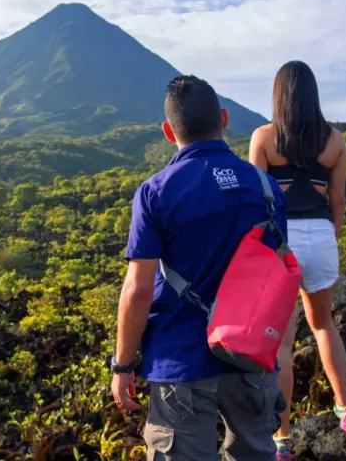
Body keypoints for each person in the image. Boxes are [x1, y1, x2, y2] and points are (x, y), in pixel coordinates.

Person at [111, 75, 289, 461]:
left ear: (167, 131)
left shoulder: (156, 192)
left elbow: (138, 289)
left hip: (181, 357)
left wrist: (122, 364)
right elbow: (277, 274)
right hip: (252, 356)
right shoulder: (266, 187)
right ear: (224, 118)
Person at [249, 60, 346, 460]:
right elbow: (338, 201)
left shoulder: (264, 138)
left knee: (281, 342)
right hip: (320, 236)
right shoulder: (335, 141)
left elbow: (256, 202)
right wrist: (331, 237)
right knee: (324, 325)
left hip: (282, 242)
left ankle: (281, 439)